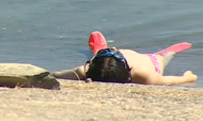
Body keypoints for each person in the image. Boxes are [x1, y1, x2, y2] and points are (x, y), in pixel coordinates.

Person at [52, 31, 198, 86]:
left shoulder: (85, 71)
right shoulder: (144, 75)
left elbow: (55, 75)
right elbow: (172, 80)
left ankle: (99, 50)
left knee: (103, 59)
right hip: (151, 61)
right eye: (115, 52)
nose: (115, 48)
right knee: (162, 56)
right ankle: (167, 52)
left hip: (104, 66)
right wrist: (189, 77)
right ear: (128, 67)